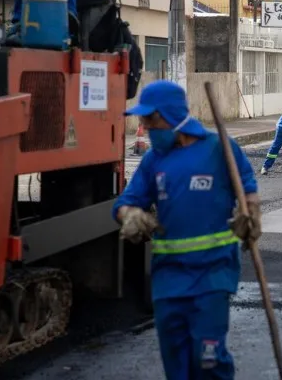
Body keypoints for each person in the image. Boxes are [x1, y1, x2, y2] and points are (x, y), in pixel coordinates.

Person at [112, 80, 261, 380]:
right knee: (176, 362)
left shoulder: (219, 148)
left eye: (150, 119)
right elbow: (126, 202)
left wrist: (251, 214)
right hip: (169, 279)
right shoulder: (155, 160)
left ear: (170, 114)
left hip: (213, 274)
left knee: (208, 359)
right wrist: (130, 215)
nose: (145, 126)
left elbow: (247, 188)